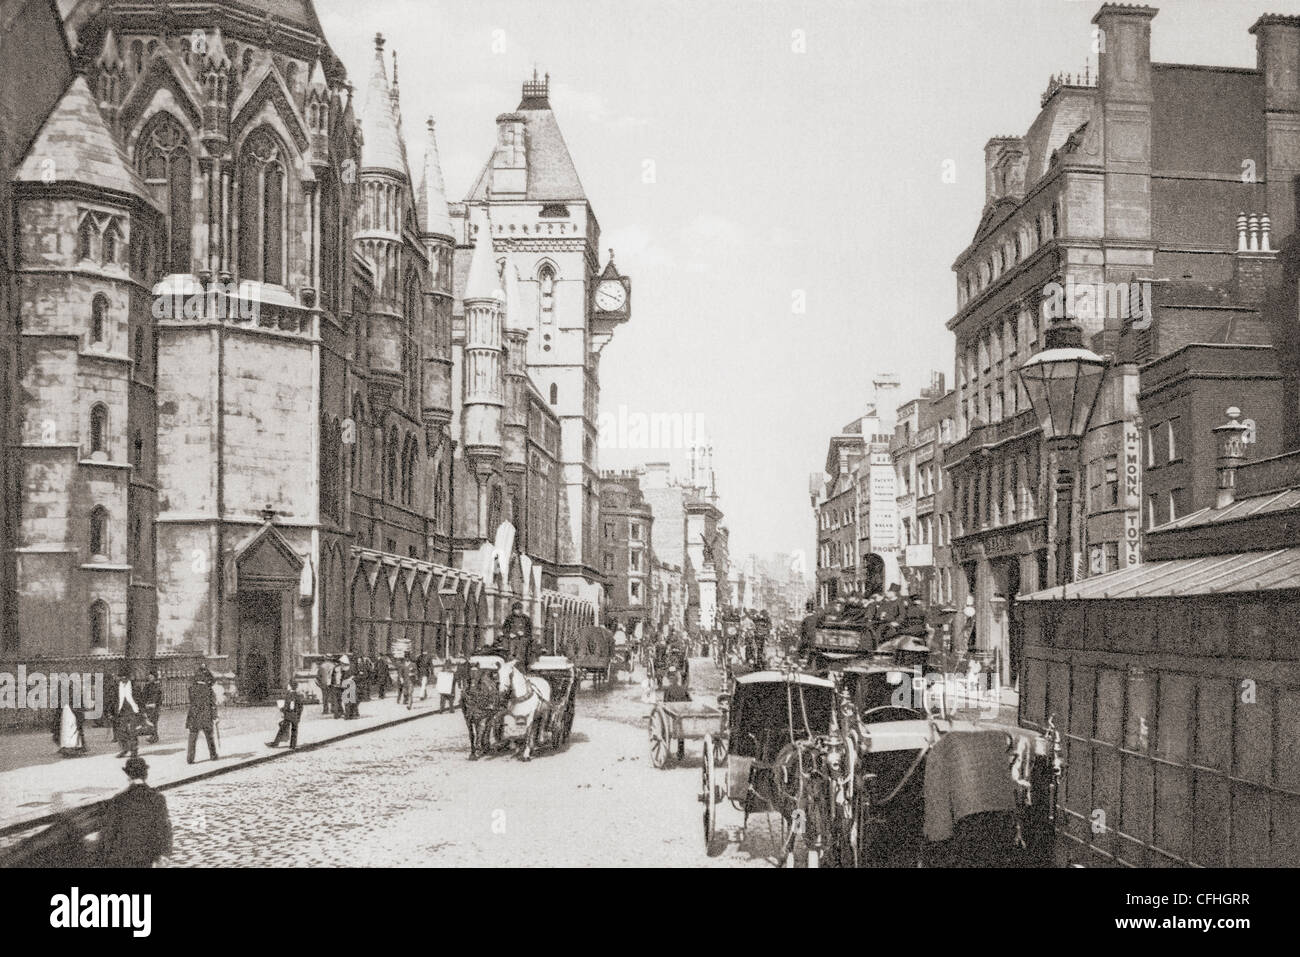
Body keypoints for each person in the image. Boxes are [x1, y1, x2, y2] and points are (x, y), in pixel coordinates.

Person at [97, 757, 172, 868]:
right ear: (145, 775)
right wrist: (164, 854)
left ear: (128, 776)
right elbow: (164, 828)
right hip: (149, 856)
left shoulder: (119, 799)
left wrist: (102, 857)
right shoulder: (158, 798)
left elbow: (110, 830)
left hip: (124, 856)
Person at [185, 668, 218, 764]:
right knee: (209, 736)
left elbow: (192, 700)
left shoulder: (191, 689)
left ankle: (190, 758)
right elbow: (212, 704)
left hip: (194, 715)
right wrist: (215, 716)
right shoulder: (208, 690)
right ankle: (213, 755)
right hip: (205, 715)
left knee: (192, 737)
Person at [267, 678, 304, 748]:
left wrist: (282, 709)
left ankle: (275, 744)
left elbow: (289, 706)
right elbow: (301, 707)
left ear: (290, 686)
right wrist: (299, 716)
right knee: (294, 730)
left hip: (289, 715)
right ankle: (293, 745)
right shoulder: (299, 695)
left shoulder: (289, 694)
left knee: (282, 729)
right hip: (295, 715)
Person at [112, 667, 141, 759]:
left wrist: (141, 711)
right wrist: (111, 711)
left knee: (133, 731)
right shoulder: (116, 686)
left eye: (125, 677)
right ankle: (124, 749)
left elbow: (140, 699)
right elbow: (113, 699)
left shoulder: (134, 685)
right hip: (121, 711)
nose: (123, 679)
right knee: (121, 731)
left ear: (128, 677)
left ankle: (134, 750)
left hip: (132, 710)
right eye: (121, 677)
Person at [502, 601, 533, 668]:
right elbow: (504, 629)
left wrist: (524, 633)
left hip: (523, 640)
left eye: (519, 609)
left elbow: (530, 630)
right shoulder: (509, 618)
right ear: (513, 610)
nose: (517, 611)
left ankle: (521, 668)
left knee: (521, 655)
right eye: (515, 609)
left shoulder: (526, 619)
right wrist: (509, 634)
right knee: (511, 654)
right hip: (511, 640)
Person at [139, 669, 162, 744]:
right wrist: (144, 703)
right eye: (149, 676)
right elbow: (143, 695)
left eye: (151, 676)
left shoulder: (157, 686)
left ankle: (154, 736)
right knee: (149, 720)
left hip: (154, 706)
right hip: (147, 705)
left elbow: (159, 697)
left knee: (153, 720)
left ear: (155, 677)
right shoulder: (147, 685)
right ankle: (154, 735)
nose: (150, 678)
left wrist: (155, 704)